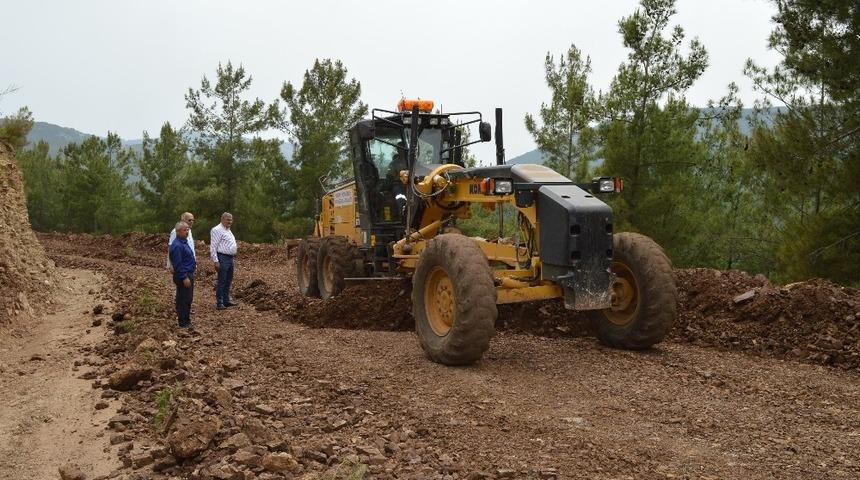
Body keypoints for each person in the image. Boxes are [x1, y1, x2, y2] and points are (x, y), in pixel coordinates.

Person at [169, 221, 196, 329]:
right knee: (184, 299)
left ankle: (186, 320)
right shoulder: (177, 245)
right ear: (178, 232)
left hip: (188, 273)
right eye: (184, 230)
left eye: (187, 230)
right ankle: (183, 322)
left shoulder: (184, 242)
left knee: (187, 298)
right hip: (184, 275)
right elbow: (178, 264)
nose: (187, 232)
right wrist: (184, 277)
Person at [210, 212, 238, 310]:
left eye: (231, 220)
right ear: (222, 219)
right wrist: (215, 261)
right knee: (222, 280)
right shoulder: (217, 230)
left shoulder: (228, 230)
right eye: (228, 219)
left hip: (230, 258)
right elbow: (213, 246)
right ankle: (220, 302)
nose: (230, 221)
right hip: (222, 257)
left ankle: (226, 300)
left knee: (228, 279)